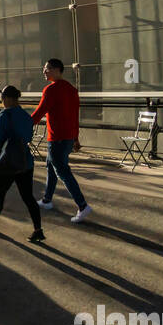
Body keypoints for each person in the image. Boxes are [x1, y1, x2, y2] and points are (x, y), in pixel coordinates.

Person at [29, 58, 92, 223]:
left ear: (57, 70)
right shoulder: (72, 90)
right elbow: (74, 117)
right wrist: (76, 139)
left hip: (56, 138)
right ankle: (47, 200)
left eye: (47, 68)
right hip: (68, 138)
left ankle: (83, 206)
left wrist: (23, 125)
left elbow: (40, 112)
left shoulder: (50, 90)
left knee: (62, 172)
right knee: (52, 167)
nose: (44, 71)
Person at [0, 85, 44, 241]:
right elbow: (27, 137)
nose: (1, 100)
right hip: (24, 161)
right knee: (28, 197)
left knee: (0, 194)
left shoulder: (5, 115)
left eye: (2, 97)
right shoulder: (26, 115)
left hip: (7, 162)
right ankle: (38, 229)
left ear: (7, 98)